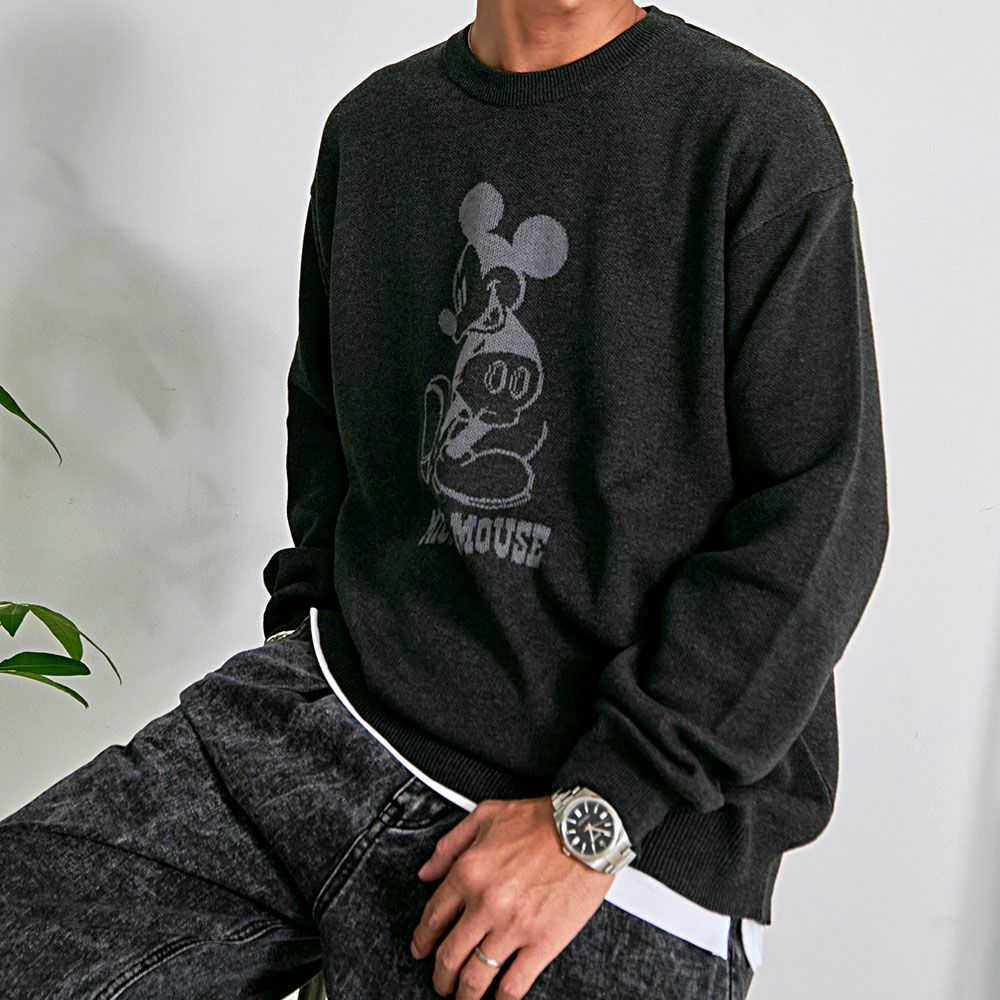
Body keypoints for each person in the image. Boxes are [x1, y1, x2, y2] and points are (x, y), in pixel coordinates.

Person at [0, 2, 888, 998]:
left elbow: (823, 519)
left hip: (603, 828)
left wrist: (597, 814)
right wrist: (308, 635)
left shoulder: (753, 132)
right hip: (326, 718)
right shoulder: (375, 128)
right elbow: (330, 433)